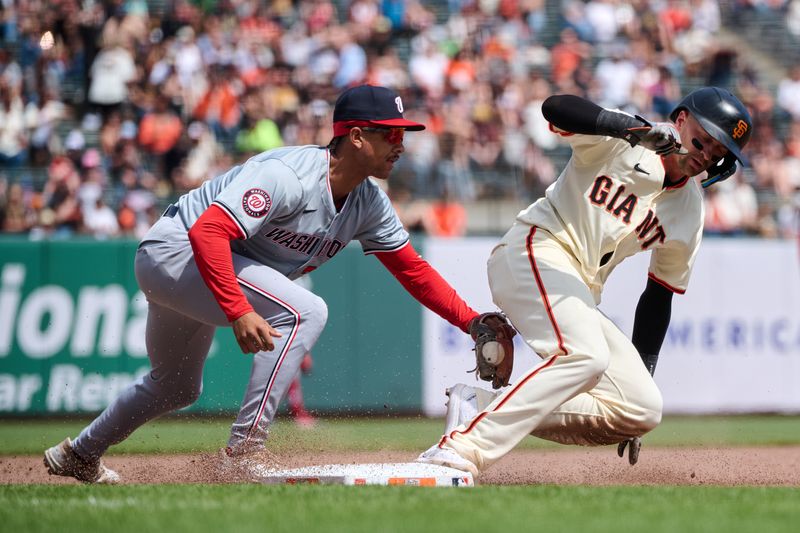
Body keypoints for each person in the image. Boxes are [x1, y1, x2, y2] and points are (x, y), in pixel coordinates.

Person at [43, 85, 485, 484]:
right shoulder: (289, 175)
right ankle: (244, 452)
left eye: (402, 135)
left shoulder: (368, 203)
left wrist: (473, 323)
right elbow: (208, 232)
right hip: (175, 252)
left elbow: (413, 270)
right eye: (390, 134)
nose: (400, 145)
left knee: (176, 386)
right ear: (355, 136)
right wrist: (238, 310)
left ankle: (80, 453)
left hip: (200, 268)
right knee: (306, 310)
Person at [417, 87, 753, 476]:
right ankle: (461, 449)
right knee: (587, 356)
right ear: (680, 120)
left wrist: (642, 372)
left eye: (718, 152)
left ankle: (476, 406)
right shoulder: (627, 140)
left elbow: (659, 296)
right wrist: (626, 128)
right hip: (535, 250)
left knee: (641, 405)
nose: (706, 155)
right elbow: (555, 107)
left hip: (579, 291)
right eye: (704, 139)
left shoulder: (690, 210)